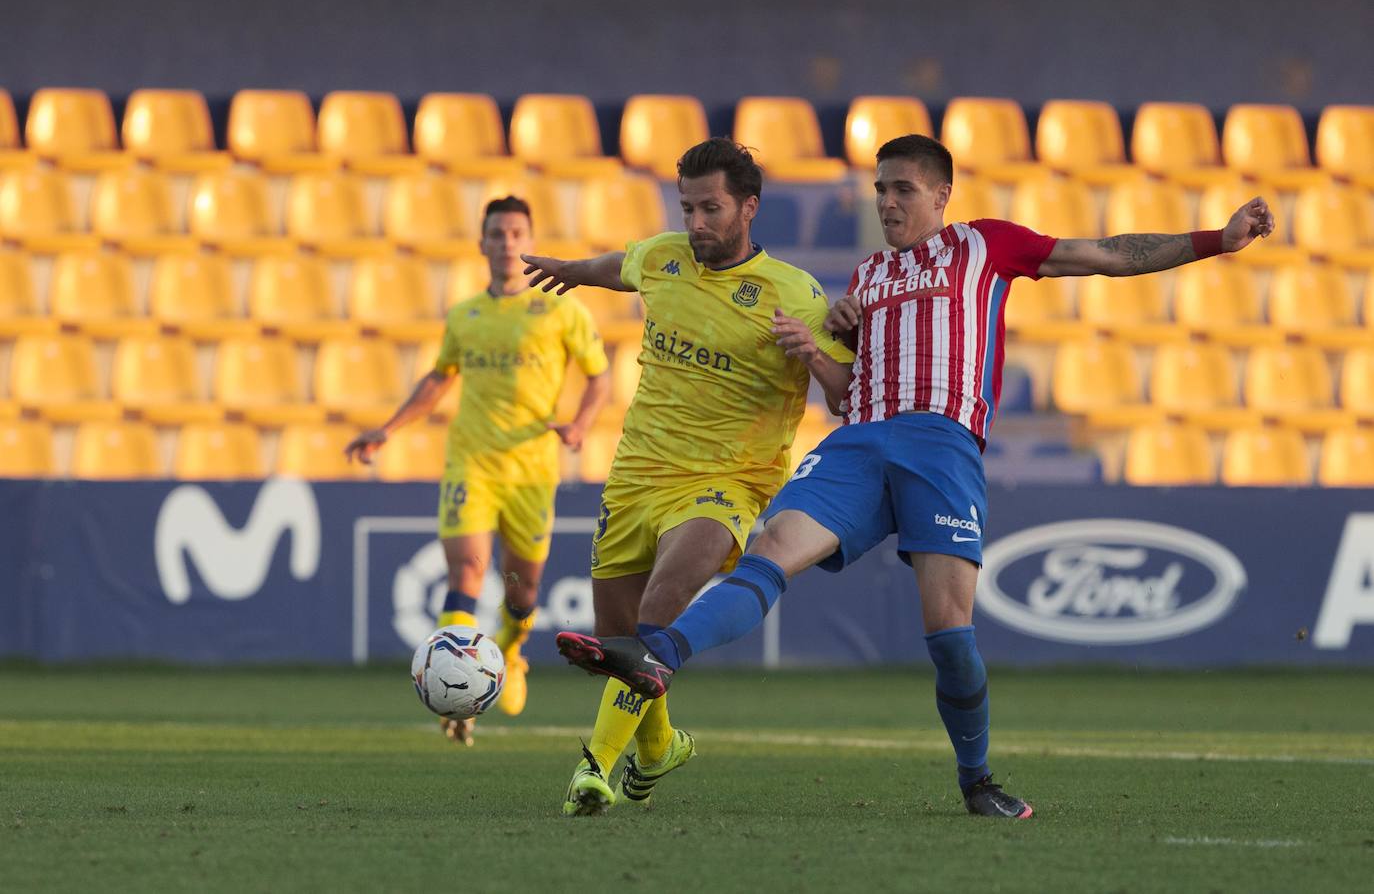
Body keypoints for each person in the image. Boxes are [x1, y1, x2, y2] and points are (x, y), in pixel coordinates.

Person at [554, 133, 1277, 818]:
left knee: (948, 630)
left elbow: (1110, 254)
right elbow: (844, 384)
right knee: (772, 545)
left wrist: (1219, 239)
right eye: (879, 190)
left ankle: (977, 780)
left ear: (942, 195)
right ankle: (659, 656)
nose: (887, 203)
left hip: (940, 443)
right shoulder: (866, 278)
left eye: (902, 189)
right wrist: (826, 344)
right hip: (859, 441)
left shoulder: (985, 244)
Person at [522, 137, 854, 816]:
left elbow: (846, 395)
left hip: (727, 481)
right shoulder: (665, 255)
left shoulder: (795, 294)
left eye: (710, 208)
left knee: (655, 618)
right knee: (621, 650)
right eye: (687, 207)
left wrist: (811, 355)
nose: (696, 222)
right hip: (636, 476)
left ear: (748, 207)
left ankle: (594, 768)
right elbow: (623, 266)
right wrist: (573, 272)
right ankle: (658, 749)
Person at [345, 196, 611, 746]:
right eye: (497, 233)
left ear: (529, 239)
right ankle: (457, 694)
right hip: (471, 462)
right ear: (482, 243)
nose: (508, 242)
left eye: (517, 232)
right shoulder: (464, 314)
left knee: (522, 590)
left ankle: (510, 653)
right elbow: (439, 378)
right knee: (467, 572)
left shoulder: (562, 311)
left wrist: (582, 424)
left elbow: (599, 378)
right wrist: (389, 429)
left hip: (533, 470)